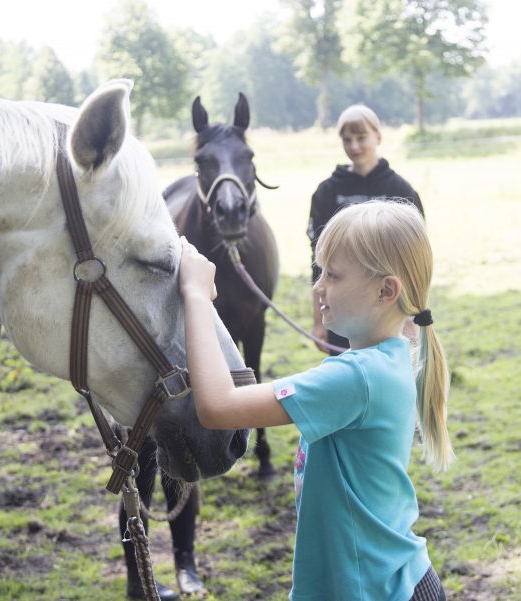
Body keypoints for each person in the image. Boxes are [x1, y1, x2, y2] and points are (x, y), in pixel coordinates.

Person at [179, 200, 453, 601]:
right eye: (319, 271)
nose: (317, 286)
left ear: (386, 290)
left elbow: (217, 407)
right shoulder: (389, 356)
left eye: (334, 275)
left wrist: (196, 297)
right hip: (385, 582)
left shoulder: (355, 378)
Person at [308, 104, 424, 355]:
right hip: (343, 311)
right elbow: (318, 263)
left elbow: (414, 261)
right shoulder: (326, 193)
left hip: (390, 314)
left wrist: (412, 317)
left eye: (362, 138)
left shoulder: (401, 191)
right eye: (347, 140)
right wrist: (319, 321)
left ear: (378, 137)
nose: (354, 146)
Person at [118, 435, 204, 600]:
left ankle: (186, 565)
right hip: (138, 413)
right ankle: (137, 579)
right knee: (138, 478)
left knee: (181, 474)